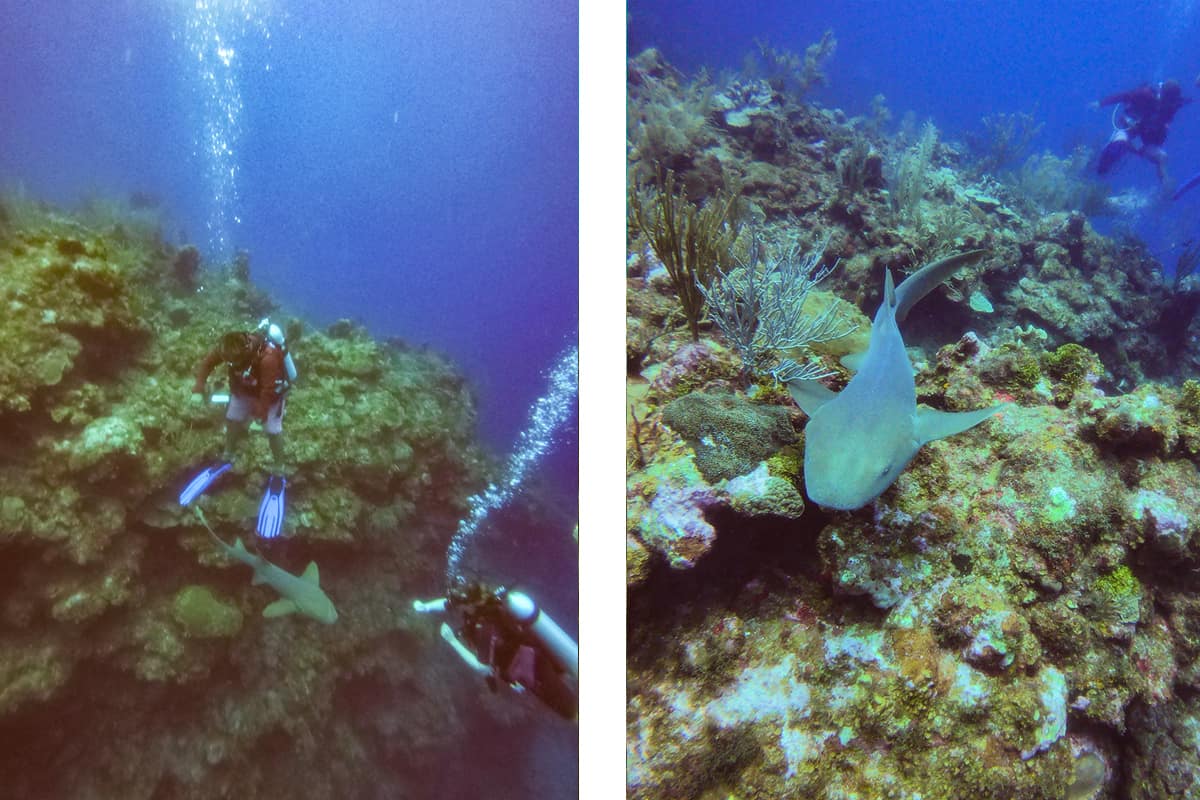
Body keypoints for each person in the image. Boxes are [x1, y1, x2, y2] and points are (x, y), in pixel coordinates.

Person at [183, 320, 297, 539]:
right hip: (242, 390)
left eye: (234, 362)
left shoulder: (268, 359)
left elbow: (268, 390)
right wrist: (198, 387)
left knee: (272, 430)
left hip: (268, 395)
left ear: (244, 354)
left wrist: (260, 416)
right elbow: (207, 364)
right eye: (227, 361)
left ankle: (279, 469)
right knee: (232, 418)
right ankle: (228, 454)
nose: (230, 365)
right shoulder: (227, 347)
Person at [413, 581, 578, 721]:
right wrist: (426, 607)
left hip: (535, 669)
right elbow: (448, 604)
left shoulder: (484, 626)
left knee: (573, 713)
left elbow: (482, 667)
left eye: (458, 602)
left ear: (469, 603)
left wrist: (452, 641)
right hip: (533, 662)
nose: (454, 606)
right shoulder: (485, 603)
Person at [1095, 79, 1191, 184]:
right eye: (1168, 99)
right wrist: (1100, 103)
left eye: (1172, 101)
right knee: (1116, 148)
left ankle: (1165, 183)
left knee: (1162, 157)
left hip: (1145, 140)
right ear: (1163, 93)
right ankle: (1099, 169)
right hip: (1130, 131)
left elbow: (1185, 101)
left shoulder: (1174, 104)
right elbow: (1124, 96)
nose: (1169, 103)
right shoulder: (1146, 94)